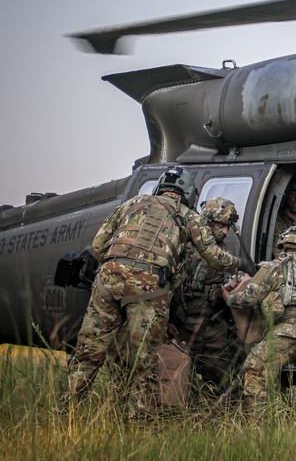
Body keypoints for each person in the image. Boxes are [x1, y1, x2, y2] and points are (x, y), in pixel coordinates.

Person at [65, 166, 240, 416]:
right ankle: (138, 419)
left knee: (88, 353)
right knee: (143, 362)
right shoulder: (188, 216)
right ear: (188, 193)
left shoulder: (132, 204)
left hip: (108, 281)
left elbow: (98, 246)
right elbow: (213, 256)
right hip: (148, 289)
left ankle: (68, 414)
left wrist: (119, 266)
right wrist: (240, 263)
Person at [225, 226, 296, 406]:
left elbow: (249, 298)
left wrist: (229, 298)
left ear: (283, 243)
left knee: (255, 372)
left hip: (287, 332)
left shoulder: (276, 265)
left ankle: (259, 424)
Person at [169, 197, 245, 392]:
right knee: (176, 375)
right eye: (220, 225)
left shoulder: (223, 251)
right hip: (184, 324)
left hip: (213, 326)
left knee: (223, 379)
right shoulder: (185, 246)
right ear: (207, 222)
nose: (225, 231)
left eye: (227, 226)